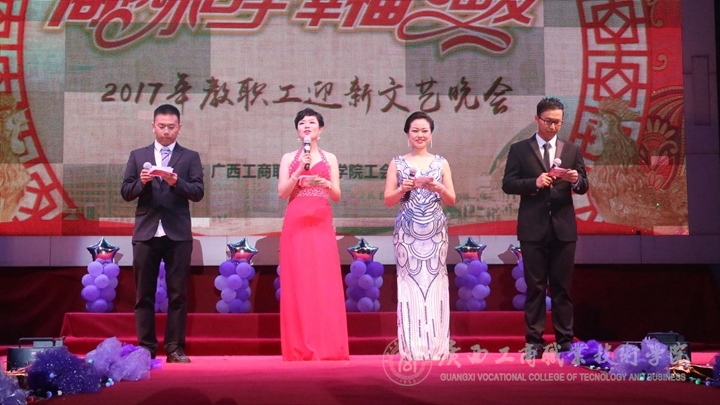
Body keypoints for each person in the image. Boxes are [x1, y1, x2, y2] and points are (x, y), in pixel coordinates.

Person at [501, 97, 589, 359]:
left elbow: (584, 185)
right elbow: (508, 184)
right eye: (549, 121)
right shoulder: (520, 149)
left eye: (558, 122)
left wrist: (576, 179)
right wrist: (534, 182)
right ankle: (534, 343)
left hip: (563, 229)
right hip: (533, 228)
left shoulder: (571, 149)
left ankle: (565, 343)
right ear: (537, 119)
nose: (553, 127)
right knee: (535, 288)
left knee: (562, 288)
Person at [121, 104, 204, 363]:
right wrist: (142, 182)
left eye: (171, 127)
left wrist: (175, 182)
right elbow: (126, 192)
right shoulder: (138, 155)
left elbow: (198, 192)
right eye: (161, 126)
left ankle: (174, 348)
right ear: (153, 127)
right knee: (143, 294)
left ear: (179, 128)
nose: (166, 131)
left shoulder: (190, 157)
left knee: (177, 294)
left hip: (177, 233)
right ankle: (146, 347)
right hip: (146, 232)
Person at [383, 111, 456, 361]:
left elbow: (451, 199)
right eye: (415, 130)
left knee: (435, 283)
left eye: (425, 130)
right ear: (407, 133)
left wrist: (439, 187)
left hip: (435, 231)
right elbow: (388, 199)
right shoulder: (397, 163)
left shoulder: (441, 163)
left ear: (431, 134)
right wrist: (403, 188)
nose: (420, 135)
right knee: (410, 285)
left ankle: (436, 347)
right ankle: (413, 348)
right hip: (407, 231)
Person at [277, 108, 349, 361]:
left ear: (320, 129)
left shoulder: (330, 158)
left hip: (320, 220)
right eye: (302, 123)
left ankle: (328, 345)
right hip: (296, 221)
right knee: (299, 281)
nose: (306, 126)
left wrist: (326, 184)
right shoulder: (289, 158)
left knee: (323, 281)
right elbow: (282, 193)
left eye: (311, 122)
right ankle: (299, 347)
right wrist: (298, 172)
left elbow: (337, 195)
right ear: (298, 130)